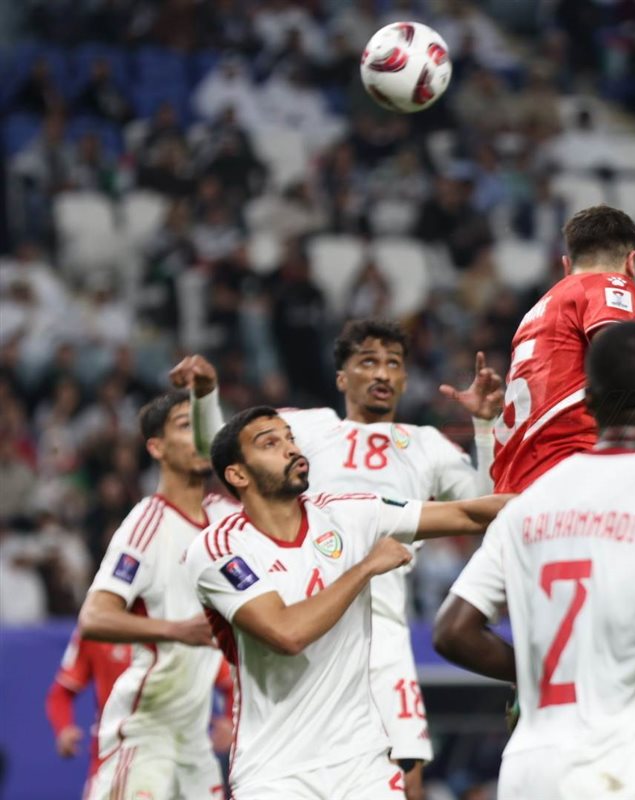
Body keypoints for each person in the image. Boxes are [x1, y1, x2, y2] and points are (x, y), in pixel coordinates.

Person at [434, 321, 635, 799]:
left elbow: (452, 632)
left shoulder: (531, 502)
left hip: (528, 768)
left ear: (587, 401)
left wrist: (537, 671)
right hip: (621, 761)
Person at [174, 319, 502, 799]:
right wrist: (205, 397)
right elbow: (220, 450)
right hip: (295, 598)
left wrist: (487, 427)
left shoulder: (426, 444)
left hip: (380, 624)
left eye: (393, 363)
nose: (382, 373)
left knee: (406, 780)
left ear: (405, 378)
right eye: (368, 361)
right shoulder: (307, 427)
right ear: (342, 378)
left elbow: (481, 508)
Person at [78, 390, 240, 800]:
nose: (200, 437)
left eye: (203, 426)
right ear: (156, 448)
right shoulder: (147, 523)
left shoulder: (226, 517)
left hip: (195, 740)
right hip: (146, 731)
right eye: (185, 426)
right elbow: (94, 617)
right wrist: (177, 630)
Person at [491, 204, 635, 493]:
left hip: (518, 481)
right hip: (569, 469)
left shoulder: (537, 312)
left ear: (566, 265)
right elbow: (621, 367)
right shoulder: (610, 284)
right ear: (631, 262)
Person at [44, 630, 132, 800]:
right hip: (111, 752)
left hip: (170, 747)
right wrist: (64, 727)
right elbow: (61, 694)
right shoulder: (95, 627)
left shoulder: (174, 624)